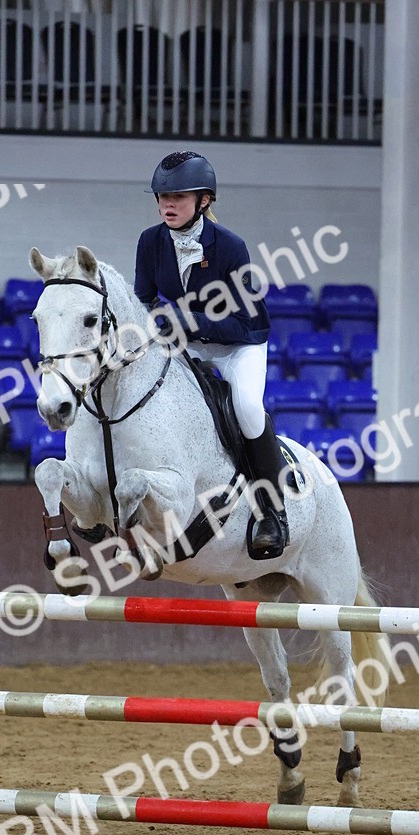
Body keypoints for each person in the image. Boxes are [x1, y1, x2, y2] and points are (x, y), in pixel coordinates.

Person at [134, 150, 287, 558]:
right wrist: (155, 322)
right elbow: (143, 299)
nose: (167, 205)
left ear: (204, 201)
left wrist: (188, 320)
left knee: (248, 409)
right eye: (163, 197)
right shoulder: (150, 241)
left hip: (239, 344)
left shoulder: (231, 248)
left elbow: (245, 322)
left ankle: (272, 513)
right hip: (187, 344)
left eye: (178, 197)